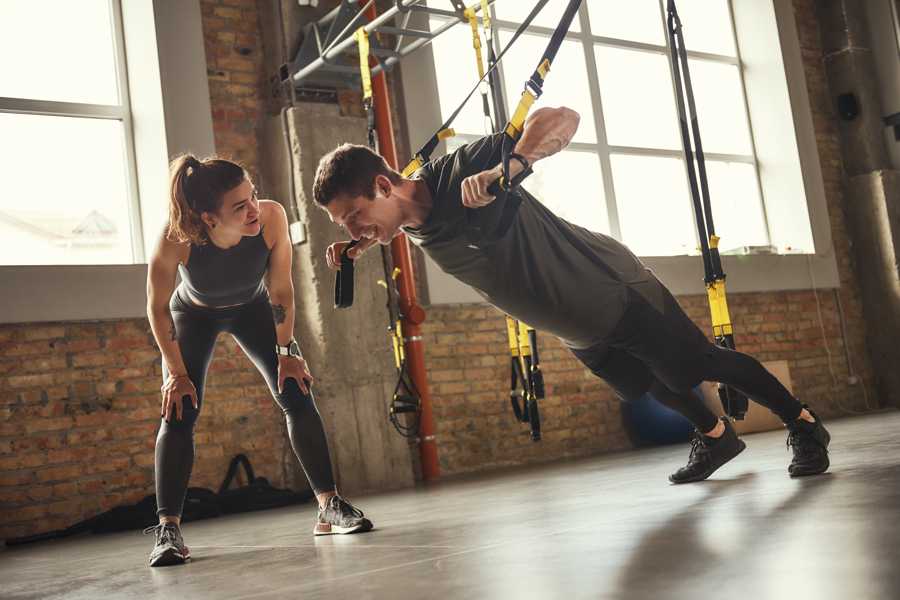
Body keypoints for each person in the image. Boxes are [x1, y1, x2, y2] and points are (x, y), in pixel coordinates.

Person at [312, 106, 831, 487]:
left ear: (383, 185)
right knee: (644, 385)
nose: (355, 229)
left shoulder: (461, 171)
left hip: (609, 289)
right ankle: (718, 437)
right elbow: (400, 222)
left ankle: (804, 425)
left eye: (354, 216)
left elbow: (562, 117)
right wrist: (359, 243)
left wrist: (508, 168)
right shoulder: (404, 216)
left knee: (699, 364)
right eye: (345, 225)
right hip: (577, 326)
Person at [144, 155, 372, 567]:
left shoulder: (270, 218)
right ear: (208, 218)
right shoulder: (177, 237)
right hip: (192, 314)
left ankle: (328, 505)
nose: (254, 209)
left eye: (253, 196)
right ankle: (168, 530)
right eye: (240, 206)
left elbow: (281, 288)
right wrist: (175, 373)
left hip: (253, 308)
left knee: (296, 389)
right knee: (179, 409)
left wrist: (286, 354)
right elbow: (157, 307)